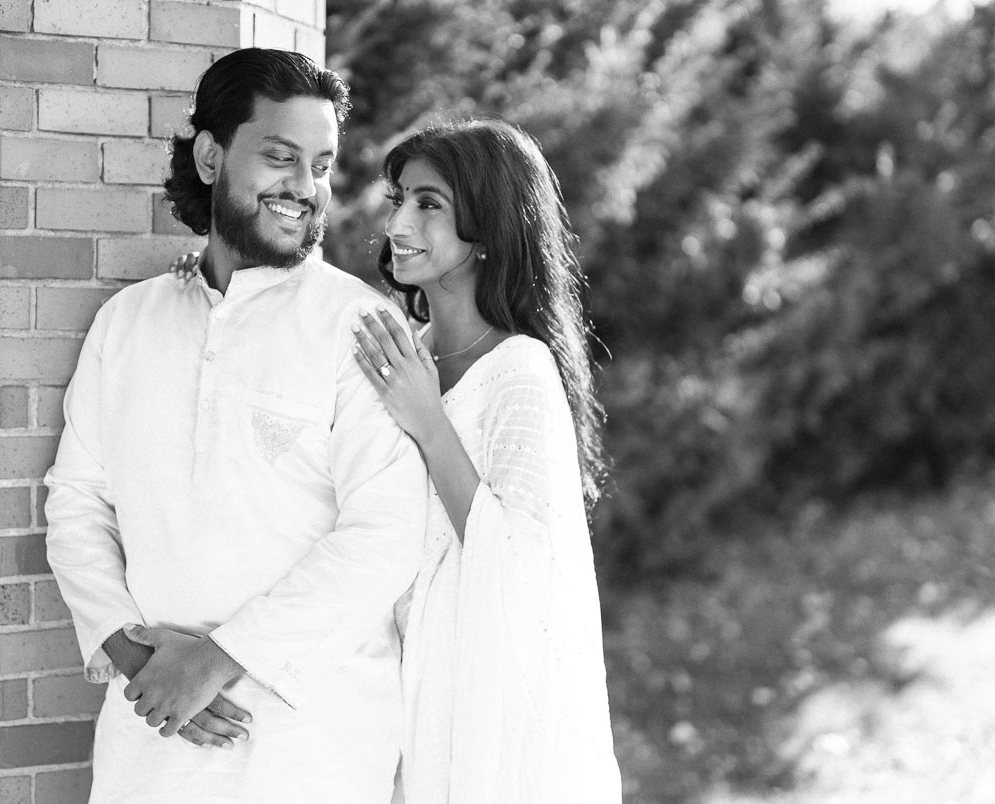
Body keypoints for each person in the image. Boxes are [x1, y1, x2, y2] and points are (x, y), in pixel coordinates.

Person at [174, 116, 622, 802]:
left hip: (478, 695)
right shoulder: (398, 345)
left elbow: (533, 569)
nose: (401, 221)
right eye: (400, 200)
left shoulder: (519, 372)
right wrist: (198, 289)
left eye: (429, 204)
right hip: (387, 682)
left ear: (487, 229)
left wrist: (430, 424)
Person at [44, 47, 428, 804]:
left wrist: (218, 659)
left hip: (309, 751)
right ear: (213, 156)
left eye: (320, 166)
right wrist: (135, 657)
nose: (304, 188)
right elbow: (76, 503)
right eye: (281, 158)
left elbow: (387, 535)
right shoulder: (127, 322)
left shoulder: (357, 325)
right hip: (148, 739)